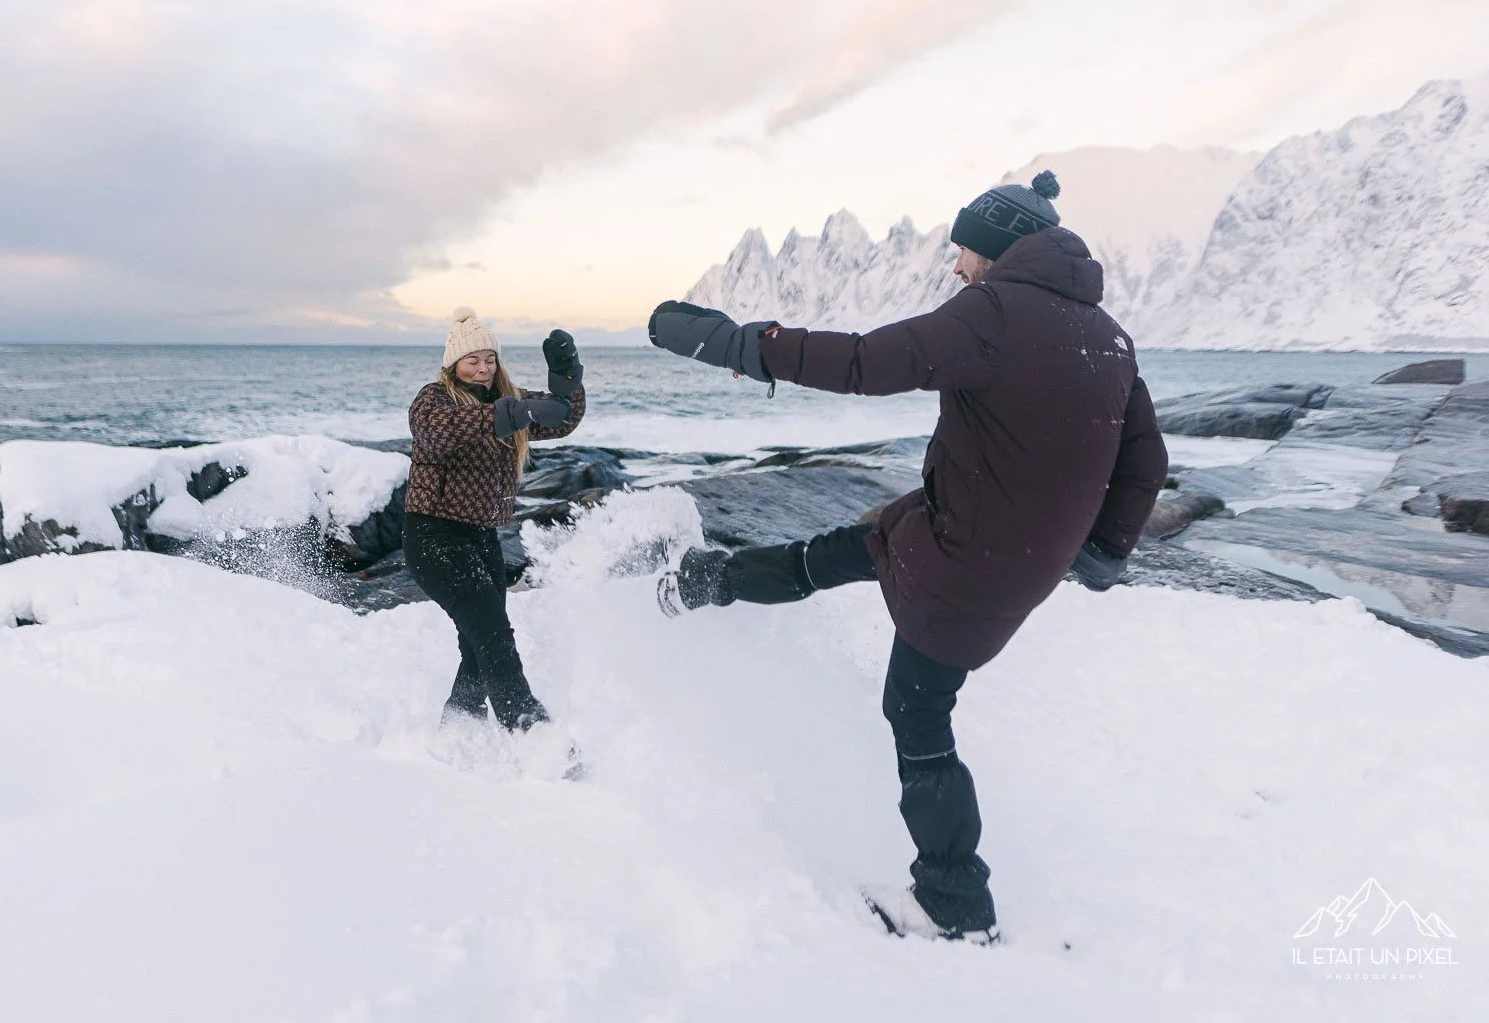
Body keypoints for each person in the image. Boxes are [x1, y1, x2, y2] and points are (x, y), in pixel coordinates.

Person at [647, 170, 1167, 943]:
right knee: (840, 549)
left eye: (964, 250)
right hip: (973, 539)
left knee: (918, 712)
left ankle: (954, 898)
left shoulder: (993, 312)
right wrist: (1100, 552)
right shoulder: (1109, 336)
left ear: (997, 250)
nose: (956, 266)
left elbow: (865, 362)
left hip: (965, 564)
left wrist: (743, 346)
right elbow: (1146, 460)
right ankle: (704, 580)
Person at [404, 307, 586, 733]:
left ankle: (459, 726)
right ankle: (528, 726)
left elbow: (563, 418)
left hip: (482, 537)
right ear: (454, 364)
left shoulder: (510, 401)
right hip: (433, 536)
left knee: (477, 642)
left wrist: (567, 375)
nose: (483, 369)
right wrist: (507, 415)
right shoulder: (434, 399)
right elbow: (439, 431)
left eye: (490, 360)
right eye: (473, 361)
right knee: (493, 635)